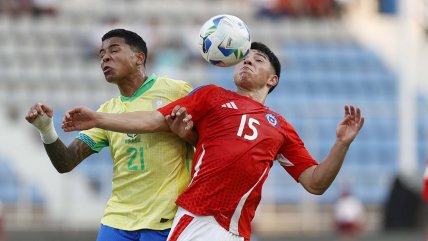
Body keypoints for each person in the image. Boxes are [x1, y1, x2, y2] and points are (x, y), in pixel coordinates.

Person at [62, 42, 365, 241]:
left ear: (272, 80)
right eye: (244, 59)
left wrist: (341, 144)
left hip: (237, 229)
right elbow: (154, 120)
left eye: (257, 60)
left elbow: (315, 183)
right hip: (198, 218)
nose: (247, 63)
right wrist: (99, 119)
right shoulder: (211, 96)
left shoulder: (280, 127)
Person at [25, 29, 195, 241]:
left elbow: (205, 137)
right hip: (117, 221)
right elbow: (66, 162)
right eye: (101, 54)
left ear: (139, 58)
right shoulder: (106, 111)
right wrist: (46, 129)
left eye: (114, 50)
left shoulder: (176, 91)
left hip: (166, 219)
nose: (105, 57)